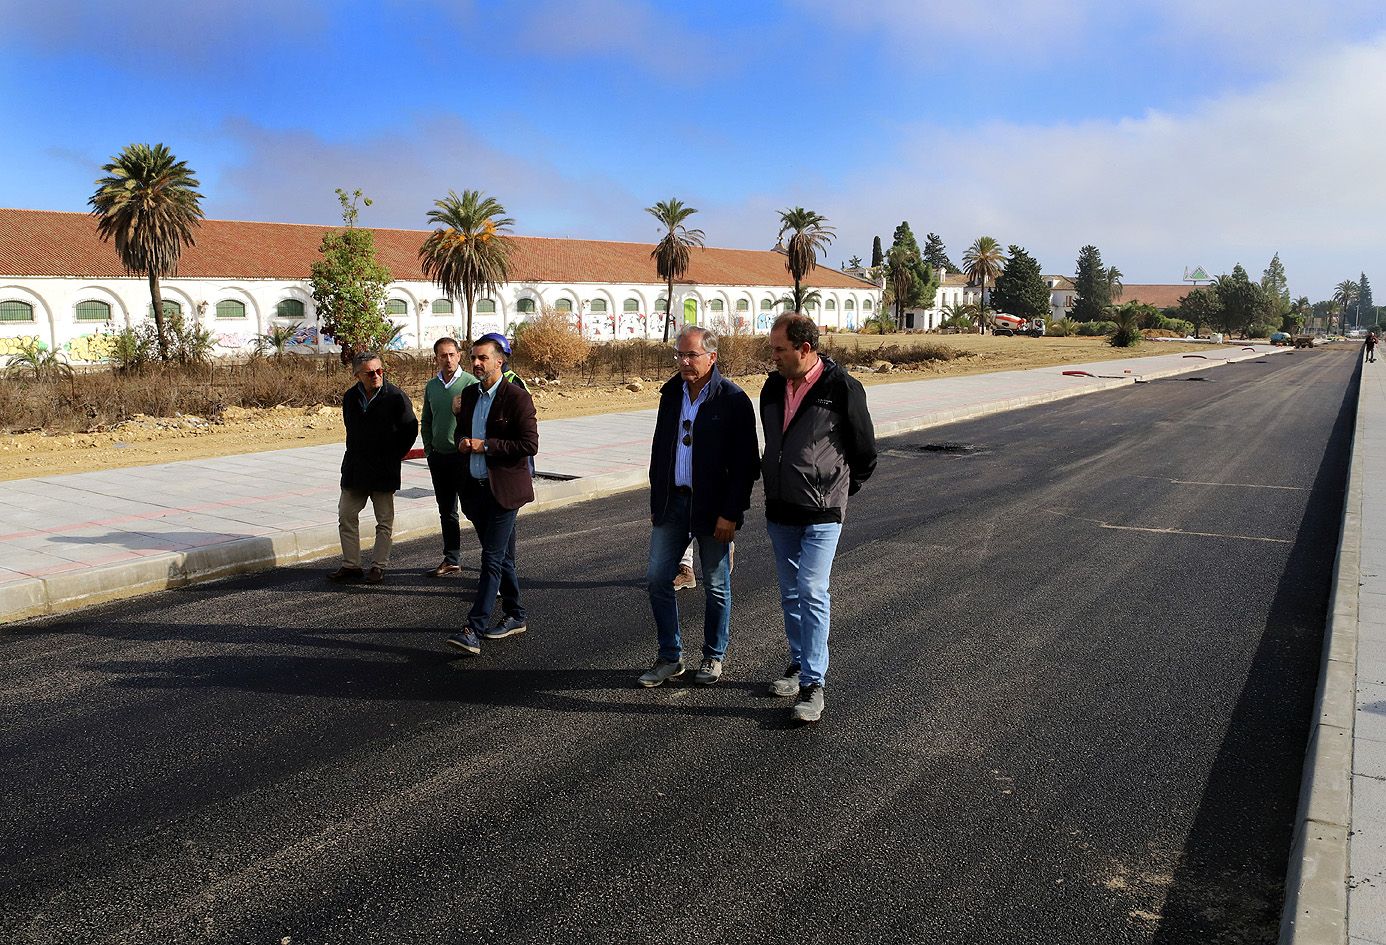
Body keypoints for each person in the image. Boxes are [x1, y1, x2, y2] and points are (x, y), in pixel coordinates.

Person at [760, 312, 877, 722]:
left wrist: (838, 491)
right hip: (781, 509)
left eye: (779, 349)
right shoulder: (772, 387)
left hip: (822, 512)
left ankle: (813, 684)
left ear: (805, 349)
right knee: (791, 592)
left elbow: (864, 452)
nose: (772, 356)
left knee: (811, 589)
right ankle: (797, 664)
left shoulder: (840, 387)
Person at [639, 326, 759, 688]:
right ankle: (670, 657)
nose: (684, 362)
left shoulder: (732, 399)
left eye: (691, 355)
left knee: (717, 585)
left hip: (713, 508)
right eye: (679, 354)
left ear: (712, 357)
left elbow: (746, 465)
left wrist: (731, 513)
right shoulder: (671, 394)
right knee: (658, 578)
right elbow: (661, 450)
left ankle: (713, 655)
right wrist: (656, 497)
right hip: (672, 502)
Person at [445, 336, 539, 657]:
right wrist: (461, 442)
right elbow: (461, 432)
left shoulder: (517, 398)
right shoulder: (469, 395)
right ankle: (516, 615)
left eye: (483, 358)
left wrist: (485, 445)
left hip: (504, 493)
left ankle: (474, 628)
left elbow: (529, 445)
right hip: (475, 491)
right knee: (502, 557)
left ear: (499, 361)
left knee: (491, 559)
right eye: (473, 358)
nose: (476, 364)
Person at [329, 351, 419, 585]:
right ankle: (351, 565)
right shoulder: (350, 397)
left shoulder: (396, 397)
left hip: (383, 470)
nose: (377, 376)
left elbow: (410, 429)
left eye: (380, 371)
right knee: (346, 515)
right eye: (370, 373)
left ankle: (378, 566)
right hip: (355, 469)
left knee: (384, 521)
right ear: (357, 374)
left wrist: (392, 455)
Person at [419, 337, 477, 576]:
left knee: (473, 510)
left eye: (452, 354)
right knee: (446, 511)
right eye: (443, 355)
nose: (448, 359)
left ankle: (493, 562)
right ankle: (451, 558)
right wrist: (429, 449)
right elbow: (427, 420)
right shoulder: (432, 386)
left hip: (463, 459)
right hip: (439, 458)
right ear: (436, 358)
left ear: (459, 355)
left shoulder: (470, 384)